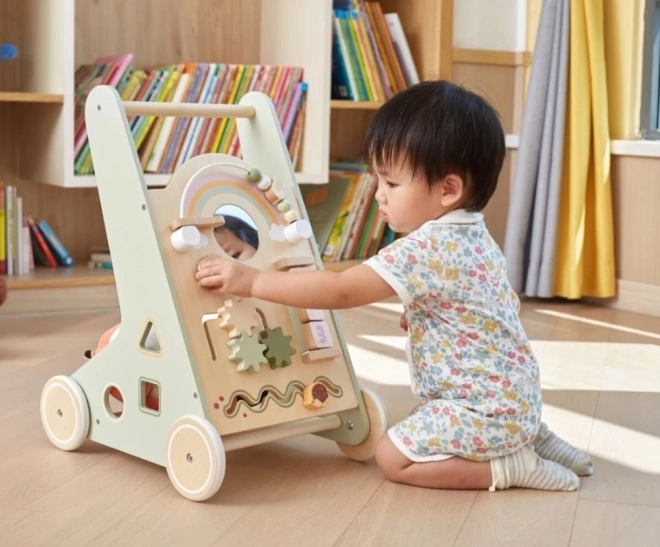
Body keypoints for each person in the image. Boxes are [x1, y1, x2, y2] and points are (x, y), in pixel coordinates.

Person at [195, 80, 593, 492]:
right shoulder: (474, 234)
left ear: (448, 189)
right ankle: (533, 436)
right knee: (457, 427)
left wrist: (255, 280)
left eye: (391, 183)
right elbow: (490, 307)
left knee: (392, 457)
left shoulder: (425, 247)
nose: (378, 196)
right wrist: (427, 317)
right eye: (377, 180)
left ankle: (511, 466)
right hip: (516, 397)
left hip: (480, 409)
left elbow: (341, 291)